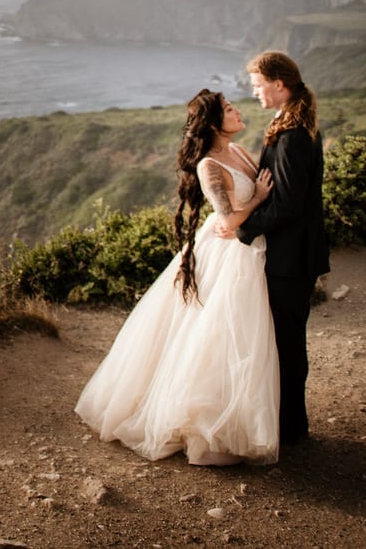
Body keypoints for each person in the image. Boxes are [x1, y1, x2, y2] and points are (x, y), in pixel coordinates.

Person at [75, 89, 280, 465]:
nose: (237, 112)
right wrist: (258, 198)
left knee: (236, 338)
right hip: (228, 255)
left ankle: (236, 422)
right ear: (215, 122)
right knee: (219, 336)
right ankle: (206, 425)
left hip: (248, 251)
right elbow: (227, 221)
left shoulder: (236, 151)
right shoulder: (208, 166)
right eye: (230, 110)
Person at [217, 50, 330, 447]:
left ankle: (291, 429)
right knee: (284, 339)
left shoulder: (294, 135)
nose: (253, 92)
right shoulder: (292, 123)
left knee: (287, 342)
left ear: (279, 84)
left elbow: (288, 204)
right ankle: (287, 424)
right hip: (291, 253)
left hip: (291, 257)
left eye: (257, 84)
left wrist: (244, 229)